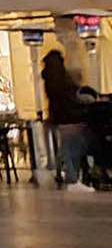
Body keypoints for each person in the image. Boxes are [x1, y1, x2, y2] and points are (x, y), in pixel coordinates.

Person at [43, 50, 89, 187]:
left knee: (64, 146)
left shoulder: (48, 80)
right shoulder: (64, 80)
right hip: (70, 117)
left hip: (57, 118)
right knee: (72, 146)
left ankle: (61, 170)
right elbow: (72, 97)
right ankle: (72, 177)